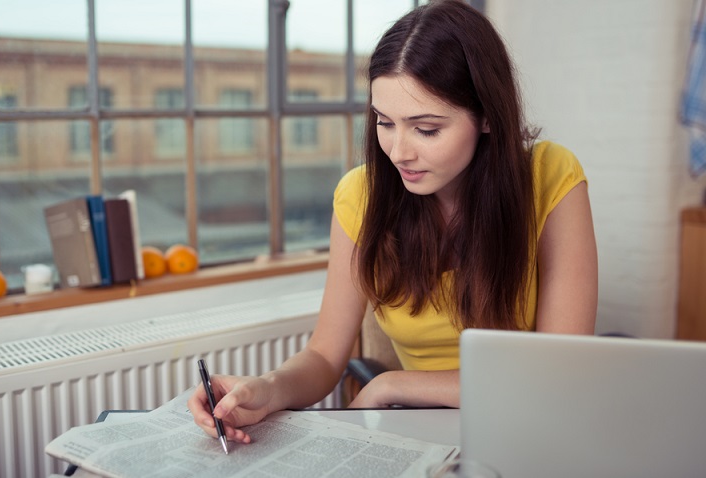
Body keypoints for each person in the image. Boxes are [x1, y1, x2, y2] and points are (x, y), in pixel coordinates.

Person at [189, 0, 597, 445]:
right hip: (423, 435)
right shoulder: (360, 196)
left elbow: (560, 369)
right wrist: (267, 389)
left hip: (530, 425)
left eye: (426, 129)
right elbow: (325, 355)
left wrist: (392, 384)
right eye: (385, 122)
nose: (399, 151)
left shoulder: (550, 177)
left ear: (485, 117)